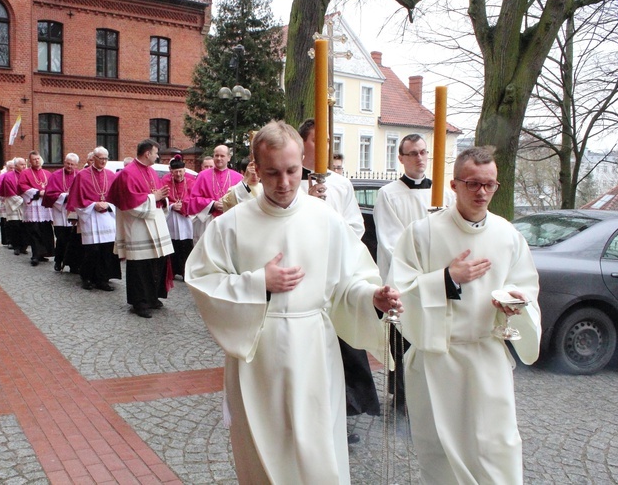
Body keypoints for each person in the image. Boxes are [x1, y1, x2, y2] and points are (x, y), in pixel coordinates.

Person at [185, 120, 401, 484]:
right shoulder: (230, 225)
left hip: (315, 350)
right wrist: (258, 284)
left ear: (303, 160)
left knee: (317, 450)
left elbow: (348, 285)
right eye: (272, 173)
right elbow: (202, 282)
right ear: (255, 166)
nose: (284, 183)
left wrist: (373, 298)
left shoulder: (328, 220)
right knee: (265, 450)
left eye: (291, 171)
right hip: (258, 355)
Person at [390, 146, 541, 484]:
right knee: (439, 450)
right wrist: (446, 279)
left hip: (487, 357)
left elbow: (527, 287)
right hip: (436, 358)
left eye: (489, 184)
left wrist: (516, 302)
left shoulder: (508, 236)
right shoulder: (422, 233)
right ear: (455, 185)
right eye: (472, 183)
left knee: (497, 446)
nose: (482, 192)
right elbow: (399, 292)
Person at [298, 118, 378, 438]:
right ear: (302, 143)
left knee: (341, 350)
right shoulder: (291, 183)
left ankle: (341, 415)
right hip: (302, 280)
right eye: (318, 140)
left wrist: (330, 225)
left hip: (334, 277)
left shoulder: (341, 185)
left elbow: (356, 229)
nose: (326, 147)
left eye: (330, 141)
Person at [374, 133, 455, 408]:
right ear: (401, 158)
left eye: (423, 152)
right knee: (404, 335)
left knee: (431, 333)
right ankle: (402, 395)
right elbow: (390, 240)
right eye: (413, 153)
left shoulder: (444, 193)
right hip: (405, 278)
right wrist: (421, 266)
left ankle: (432, 392)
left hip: (435, 277)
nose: (420, 158)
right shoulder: (388, 194)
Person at [107, 139, 174, 318]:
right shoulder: (128, 174)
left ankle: (152, 297)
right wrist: (154, 197)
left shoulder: (151, 171)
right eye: (156, 153)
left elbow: (158, 194)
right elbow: (130, 203)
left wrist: (162, 198)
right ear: (147, 153)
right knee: (140, 266)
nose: (157, 156)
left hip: (155, 224)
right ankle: (139, 302)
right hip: (137, 227)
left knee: (156, 263)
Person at [66, 147, 121, 290]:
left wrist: (108, 205)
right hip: (90, 216)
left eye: (106, 158)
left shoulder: (111, 175)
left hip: (108, 217)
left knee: (107, 250)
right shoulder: (82, 175)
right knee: (93, 250)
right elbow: (76, 198)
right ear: (94, 158)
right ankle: (87, 277)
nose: (103, 161)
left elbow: (117, 197)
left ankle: (102, 279)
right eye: (101, 158)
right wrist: (93, 205)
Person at [189, 145, 242, 243]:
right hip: (208, 221)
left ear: (229, 158)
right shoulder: (202, 176)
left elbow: (243, 201)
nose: (219, 158)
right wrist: (212, 204)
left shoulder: (238, 177)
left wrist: (228, 206)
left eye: (222, 156)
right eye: (216, 155)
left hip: (231, 221)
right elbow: (193, 200)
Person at [44, 153, 81, 273]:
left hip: (74, 211)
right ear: (64, 162)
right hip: (60, 211)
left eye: (72, 164)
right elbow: (49, 194)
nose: (69, 166)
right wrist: (65, 196)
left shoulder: (79, 175)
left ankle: (73, 263)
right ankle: (58, 260)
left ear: (76, 165)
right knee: (61, 238)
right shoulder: (56, 175)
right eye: (67, 163)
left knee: (73, 239)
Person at [161, 153, 195, 279]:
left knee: (186, 246)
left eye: (180, 171)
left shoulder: (191, 181)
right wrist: (171, 206)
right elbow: (162, 198)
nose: (178, 175)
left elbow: (195, 198)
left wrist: (184, 206)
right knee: (172, 245)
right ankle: (172, 271)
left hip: (186, 218)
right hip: (171, 218)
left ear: (184, 170)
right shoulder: (165, 180)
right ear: (171, 172)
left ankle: (185, 271)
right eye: (176, 172)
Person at [18, 151, 55, 266]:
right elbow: (22, 186)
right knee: (34, 231)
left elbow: (53, 186)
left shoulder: (47, 173)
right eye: (34, 159)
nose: (36, 161)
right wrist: (38, 193)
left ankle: (43, 253)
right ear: (30, 161)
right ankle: (35, 255)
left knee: (45, 230)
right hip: (33, 205)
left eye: (38, 158)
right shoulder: (25, 173)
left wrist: (47, 194)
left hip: (45, 206)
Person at [0, 157, 29, 254]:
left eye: (24, 164)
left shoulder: (28, 174)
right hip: (13, 205)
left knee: (26, 226)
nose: (24, 166)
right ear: (15, 166)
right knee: (15, 226)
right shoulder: (8, 176)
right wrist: (21, 200)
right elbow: (8, 191)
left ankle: (24, 246)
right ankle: (16, 247)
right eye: (21, 164)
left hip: (26, 204)